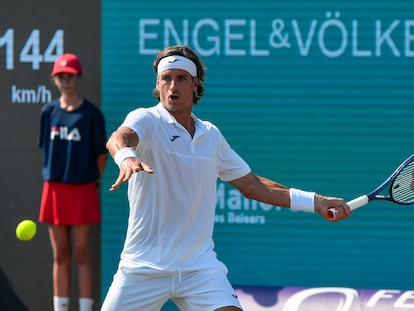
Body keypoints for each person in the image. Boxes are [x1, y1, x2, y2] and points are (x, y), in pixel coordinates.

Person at [101, 45, 352, 311]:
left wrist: (317, 202)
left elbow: (253, 186)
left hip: (198, 269)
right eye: (166, 78)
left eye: (182, 78)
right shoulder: (146, 119)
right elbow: (119, 138)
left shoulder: (211, 136)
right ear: (158, 83)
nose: (173, 86)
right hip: (143, 268)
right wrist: (126, 156)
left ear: (195, 84)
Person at [38, 53, 108, 311]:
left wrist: (91, 180)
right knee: (60, 253)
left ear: (78, 78)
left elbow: (101, 156)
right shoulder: (48, 112)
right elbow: (45, 150)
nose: (66, 81)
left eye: (70, 76)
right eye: (61, 76)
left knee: (80, 252)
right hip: (54, 189)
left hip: (82, 189)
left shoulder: (91, 115)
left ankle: (86, 308)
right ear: (55, 79)